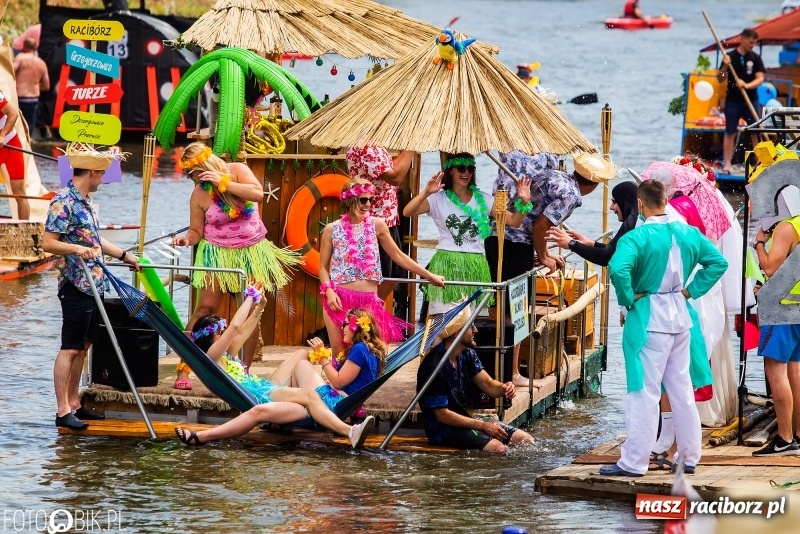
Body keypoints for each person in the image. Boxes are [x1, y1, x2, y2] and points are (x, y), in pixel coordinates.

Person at [602, 180, 727, 476]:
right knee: (681, 390)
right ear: (665, 201)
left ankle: (634, 461)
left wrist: (627, 297)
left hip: (650, 319)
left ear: (640, 203)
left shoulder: (636, 236)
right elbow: (718, 263)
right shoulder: (687, 231)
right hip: (680, 316)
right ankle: (689, 457)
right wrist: (690, 290)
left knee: (643, 391)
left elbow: (618, 269)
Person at [174, 287, 375, 449]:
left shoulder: (228, 355)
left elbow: (242, 331)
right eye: (220, 332)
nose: (225, 332)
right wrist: (249, 297)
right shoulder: (212, 358)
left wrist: (260, 307)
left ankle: (289, 421)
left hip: (265, 389)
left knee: (302, 359)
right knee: (308, 397)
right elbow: (235, 326)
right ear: (210, 338)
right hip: (258, 396)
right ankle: (349, 431)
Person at [171, 142, 301, 390]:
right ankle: (183, 371)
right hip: (217, 254)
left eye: (194, 173)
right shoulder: (199, 193)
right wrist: (187, 239)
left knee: (251, 310)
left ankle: (243, 373)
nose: (193, 179)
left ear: (204, 166)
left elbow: (257, 194)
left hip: (251, 253)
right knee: (204, 309)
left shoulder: (238, 170)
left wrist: (224, 182)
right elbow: (197, 229)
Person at [485, 150, 618, 386]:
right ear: (594, 184)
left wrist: (541, 253)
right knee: (518, 309)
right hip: (515, 242)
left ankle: (500, 370)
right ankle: (511, 374)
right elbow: (540, 226)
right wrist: (544, 256)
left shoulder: (557, 176)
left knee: (501, 306)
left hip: (498, 236)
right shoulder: (571, 194)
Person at [43, 144, 140, 430]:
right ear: (94, 172)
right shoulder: (64, 201)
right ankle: (62, 411)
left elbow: (95, 241)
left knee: (85, 346)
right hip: (75, 284)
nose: (104, 180)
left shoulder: (86, 201)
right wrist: (75, 249)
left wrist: (125, 255)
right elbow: (49, 243)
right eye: (103, 175)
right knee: (70, 347)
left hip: (95, 282)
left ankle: (75, 403)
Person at [318, 178, 445, 358]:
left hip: (368, 300)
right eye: (363, 199)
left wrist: (429, 275)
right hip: (339, 298)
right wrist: (329, 291)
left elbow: (399, 256)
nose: (368, 204)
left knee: (371, 351)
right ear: (349, 200)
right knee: (339, 352)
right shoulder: (332, 229)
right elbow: (322, 267)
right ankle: (337, 386)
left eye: (370, 199)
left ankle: (363, 386)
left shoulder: (377, 225)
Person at [402, 153, 532, 317]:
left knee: (470, 324)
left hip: (476, 264)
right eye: (461, 168)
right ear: (450, 171)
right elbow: (408, 212)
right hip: (447, 263)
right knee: (443, 321)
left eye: (470, 169)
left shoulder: (484, 199)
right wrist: (426, 192)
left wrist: (525, 202)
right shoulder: (437, 199)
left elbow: (514, 222)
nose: (466, 173)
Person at [416, 307, 534, 452]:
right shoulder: (434, 365)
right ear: (457, 333)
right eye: (471, 326)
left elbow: (488, 384)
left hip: (469, 419)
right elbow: (442, 415)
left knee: (525, 440)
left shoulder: (467, 354)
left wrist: (504, 388)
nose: (476, 330)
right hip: (445, 430)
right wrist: (483, 426)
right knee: (497, 448)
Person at [751, 187, 800, 456]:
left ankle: (783, 438)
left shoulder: (787, 228)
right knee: (795, 370)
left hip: (782, 308)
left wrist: (759, 243)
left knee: (776, 371)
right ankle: (798, 436)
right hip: (798, 305)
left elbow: (770, 267)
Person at [346, 145, 415, 301]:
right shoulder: (365, 147)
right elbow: (395, 176)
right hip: (372, 222)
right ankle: (366, 314)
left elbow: (391, 166)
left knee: (393, 275)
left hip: (387, 219)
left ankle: (370, 312)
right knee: (378, 277)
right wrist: (412, 147)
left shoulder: (375, 146)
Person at [546, 181, 639, 267]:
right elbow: (615, 250)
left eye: (614, 202)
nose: (611, 207)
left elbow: (606, 257)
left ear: (625, 202)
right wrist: (592, 244)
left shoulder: (632, 225)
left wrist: (572, 244)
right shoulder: (637, 220)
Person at [717, 28, 764, 174]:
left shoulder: (755, 58)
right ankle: (727, 164)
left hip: (751, 100)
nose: (752, 45)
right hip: (733, 101)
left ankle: (759, 162)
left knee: (755, 132)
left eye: (755, 43)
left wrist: (746, 85)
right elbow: (720, 78)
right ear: (743, 39)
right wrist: (725, 65)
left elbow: (760, 78)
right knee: (730, 131)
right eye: (750, 42)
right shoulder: (729, 57)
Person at [0, 91, 29, 220]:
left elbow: (13, 113)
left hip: (10, 144)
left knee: (19, 193)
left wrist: (2, 134)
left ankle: (26, 232)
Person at [13, 38, 50, 132]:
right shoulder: (41, 63)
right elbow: (46, 86)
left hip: (19, 97)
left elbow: (10, 72)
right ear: (35, 47)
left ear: (24, 46)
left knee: (16, 124)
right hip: (34, 99)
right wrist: (35, 85)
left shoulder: (20, 57)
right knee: (29, 125)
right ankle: (28, 144)